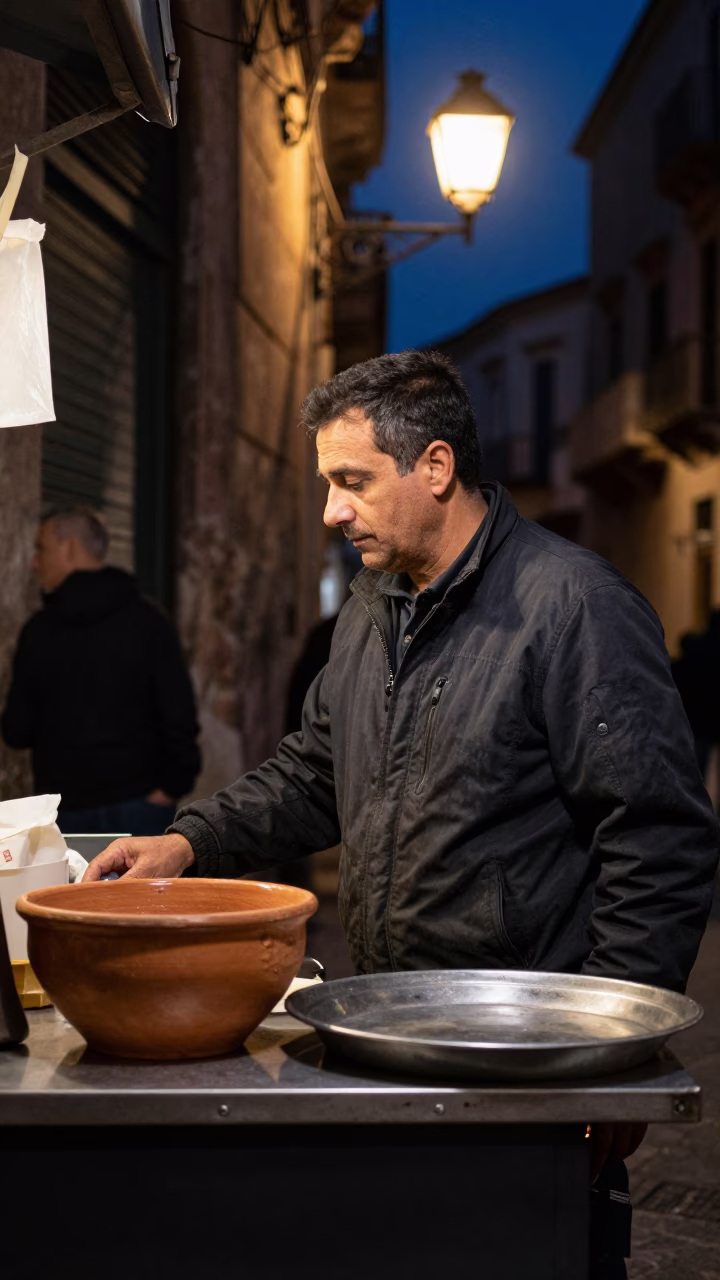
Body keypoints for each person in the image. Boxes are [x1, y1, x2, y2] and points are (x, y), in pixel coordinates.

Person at [83, 351, 719, 1278]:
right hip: (395, 1032)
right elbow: (314, 773)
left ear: (435, 466)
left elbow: (659, 839)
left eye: (352, 481)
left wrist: (610, 1058)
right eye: (327, 484)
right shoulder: (372, 606)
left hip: (526, 1060)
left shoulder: (574, 606)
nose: (332, 512)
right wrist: (188, 840)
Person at [2, 506, 201, 835]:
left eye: (41, 548)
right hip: (141, 804)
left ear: (69, 547)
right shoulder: (147, 620)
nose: (35, 563)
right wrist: (172, 787)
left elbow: (16, 730)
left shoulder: (39, 631)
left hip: (64, 808)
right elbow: (179, 711)